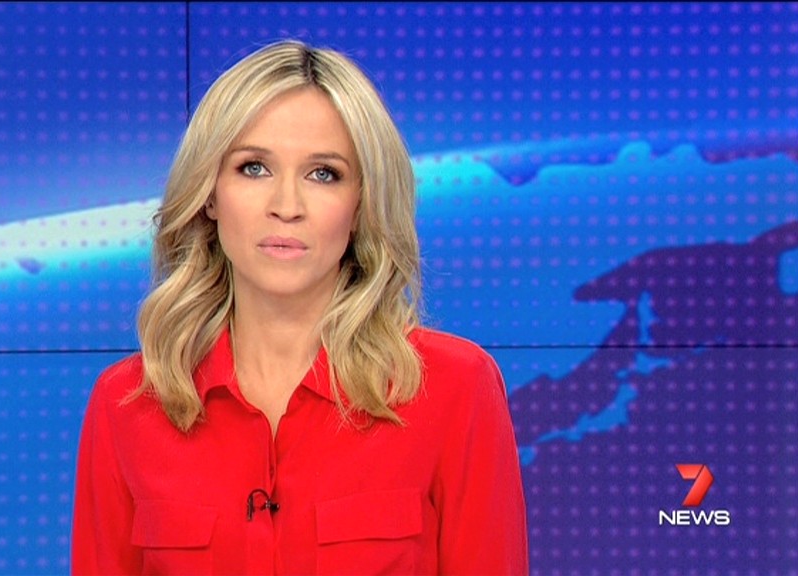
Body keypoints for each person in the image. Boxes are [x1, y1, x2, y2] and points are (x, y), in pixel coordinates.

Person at [71, 40, 528, 575]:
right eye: (253, 168)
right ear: (210, 193)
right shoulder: (126, 405)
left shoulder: (454, 388)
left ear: (361, 203)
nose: (286, 206)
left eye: (323, 174)